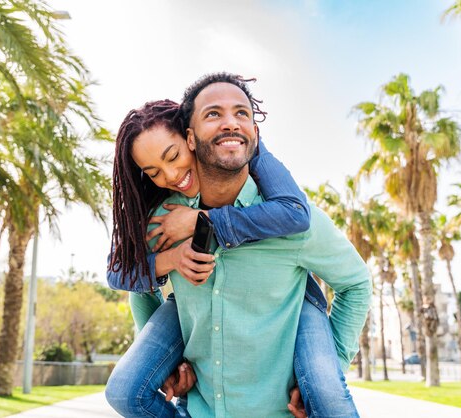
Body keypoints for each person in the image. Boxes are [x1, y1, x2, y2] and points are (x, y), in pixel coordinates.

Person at [106, 74, 371, 417]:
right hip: (200, 407)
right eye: (155, 171)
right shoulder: (166, 218)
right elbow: (132, 280)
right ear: (192, 135)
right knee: (124, 392)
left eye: (241, 114)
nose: (170, 175)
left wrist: (328, 371)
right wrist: (164, 363)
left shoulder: (290, 217)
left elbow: (356, 282)